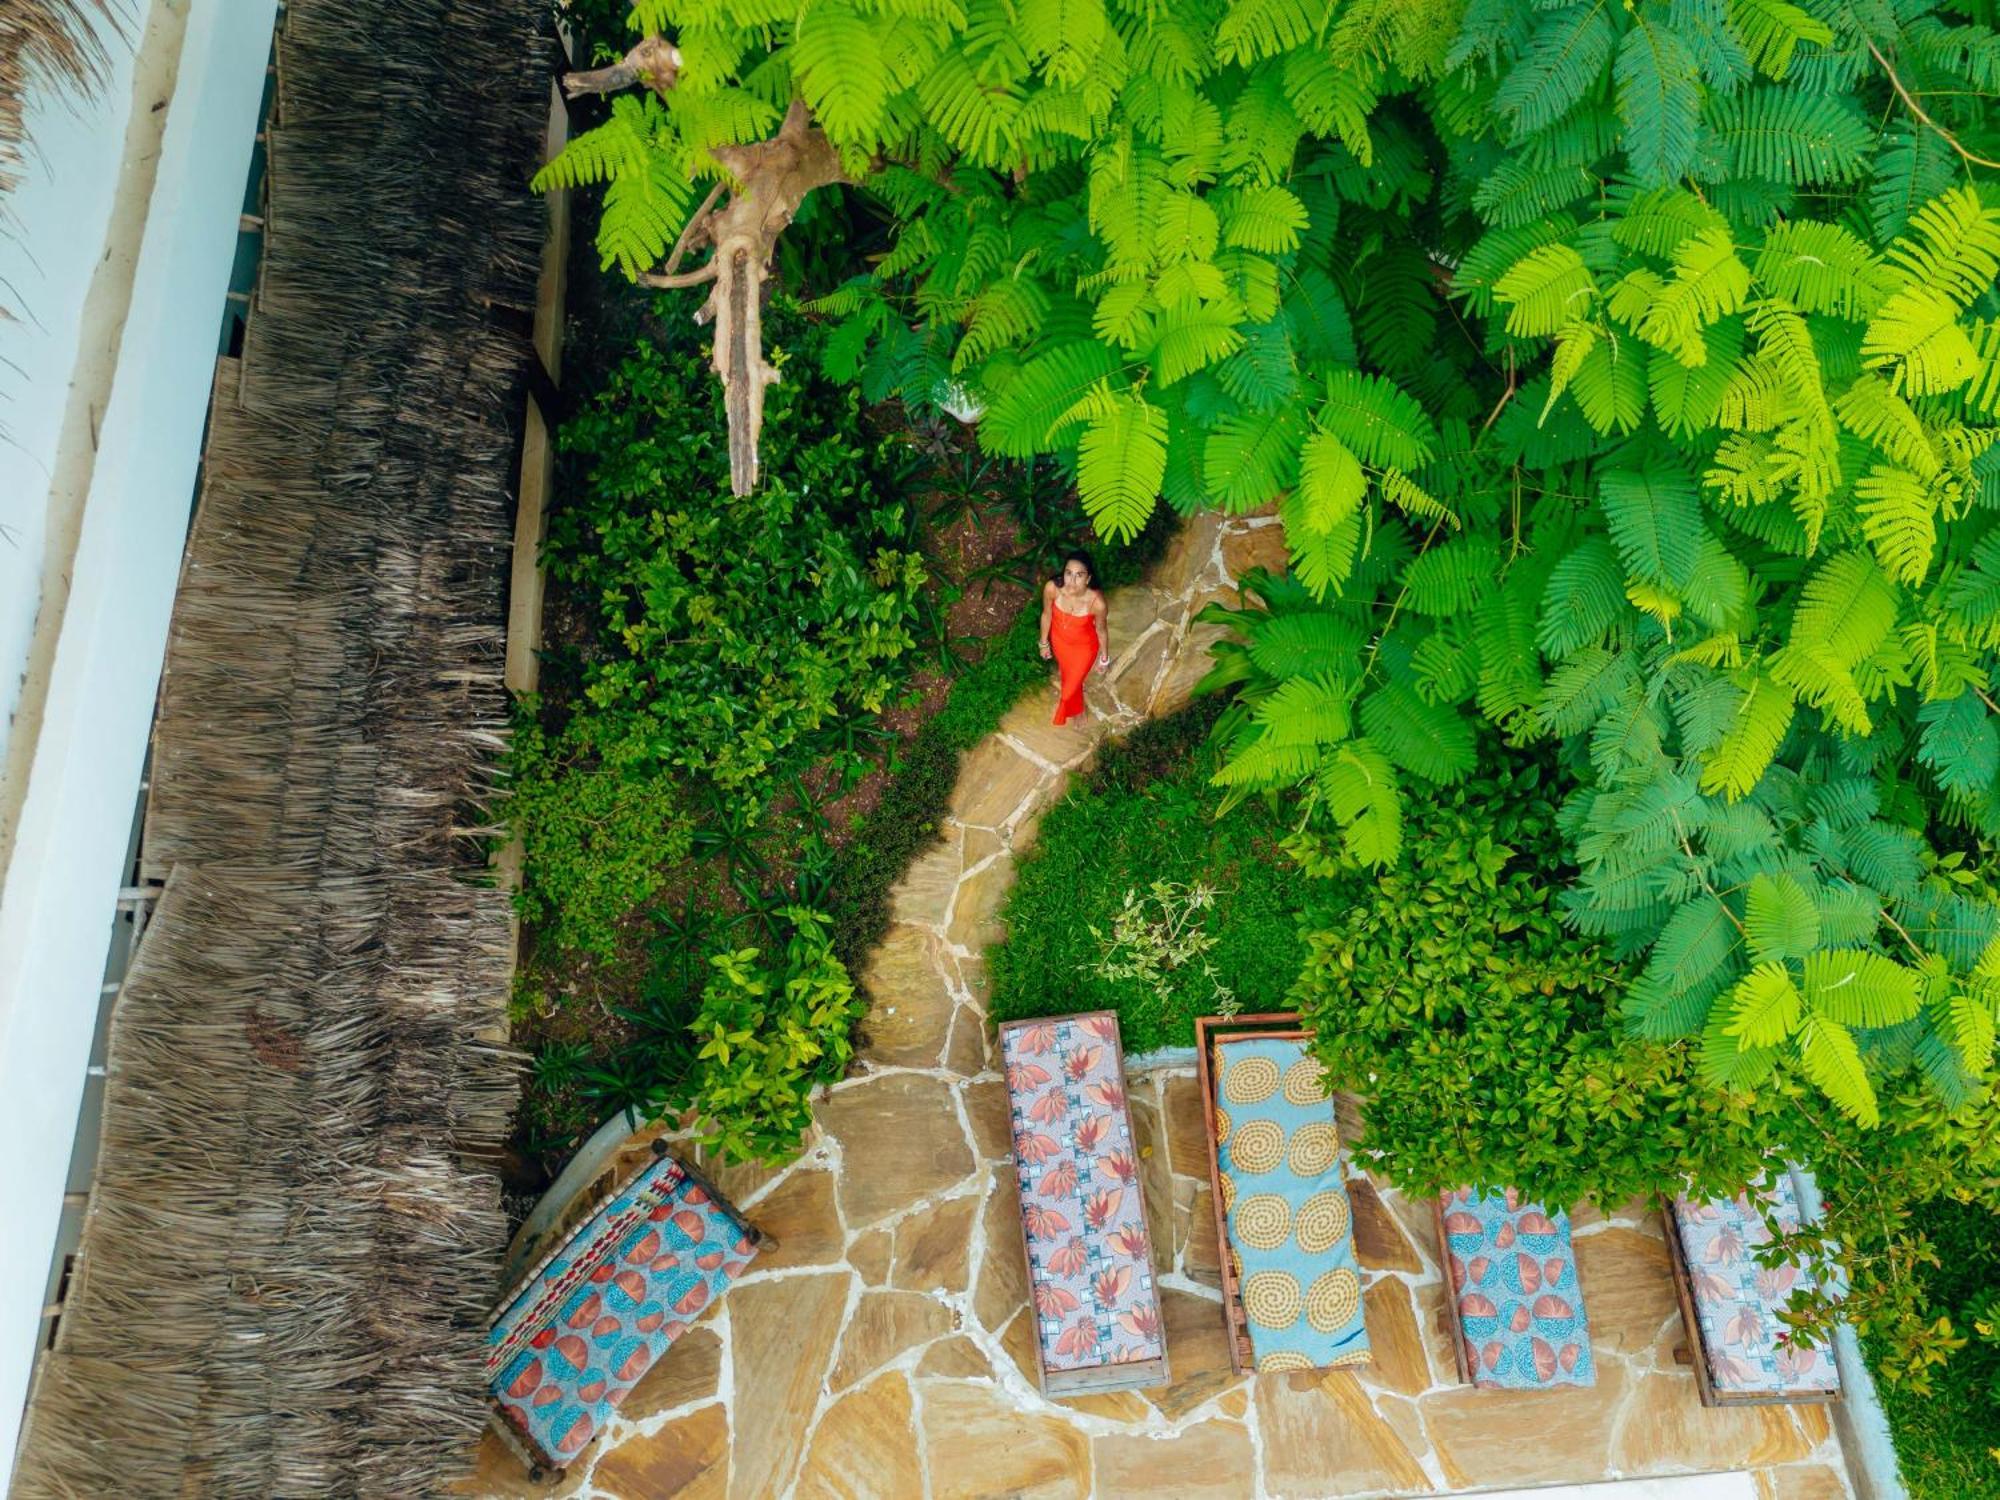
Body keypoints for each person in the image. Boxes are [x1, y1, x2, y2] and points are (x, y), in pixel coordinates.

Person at [1039, 549, 1108, 727]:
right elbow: (1046, 615)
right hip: (1060, 642)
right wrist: (1043, 643)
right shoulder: (1052, 588)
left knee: (1068, 689)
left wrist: (1104, 658)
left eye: (1079, 575)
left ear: (1088, 579)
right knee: (1069, 678)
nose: (1072, 580)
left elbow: (1101, 630)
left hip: (1084, 649)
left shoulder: (1097, 603)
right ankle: (1079, 708)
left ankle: (1073, 708)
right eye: (1068, 573)